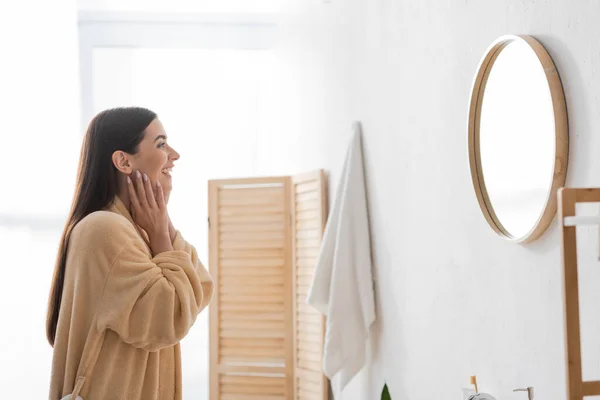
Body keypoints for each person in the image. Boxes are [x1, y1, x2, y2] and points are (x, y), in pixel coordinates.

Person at [46, 107, 214, 400]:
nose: (174, 155)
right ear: (123, 161)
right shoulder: (105, 229)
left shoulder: (136, 229)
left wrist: (162, 224)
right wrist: (161, 234)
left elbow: (201, 286)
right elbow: (170, 318)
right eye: (161, 144)